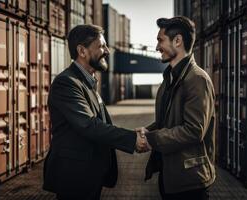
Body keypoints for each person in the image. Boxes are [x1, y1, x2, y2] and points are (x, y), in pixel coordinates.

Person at [43, 24, 148, 200]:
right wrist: (132, 139)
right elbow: (89, 125)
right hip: (74, 177)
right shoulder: (67, 83)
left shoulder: (87, 81)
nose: (107, 51)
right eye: (101, 46)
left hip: (90, 173)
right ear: (82, 51)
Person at [136, 16, 216, 200]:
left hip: (190, 182)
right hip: (171, 176)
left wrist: (151, 139)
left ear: (177, 41)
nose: (156, 47)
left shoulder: (197, 79)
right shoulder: (170, 79)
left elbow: (194, 130)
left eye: (160, 40)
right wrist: (147, 130)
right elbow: (168, 120)